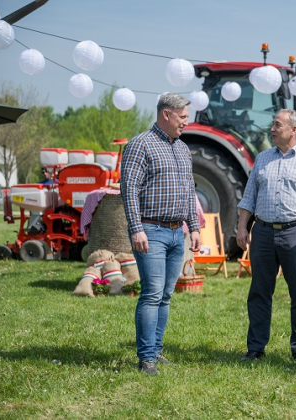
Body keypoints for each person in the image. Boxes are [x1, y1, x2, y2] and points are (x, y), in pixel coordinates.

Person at [236, 109, 296, 361]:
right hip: (263, 233)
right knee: (259, 291)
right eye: (273, 124)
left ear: (294, 131)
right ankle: (255, 348)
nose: (272, 129)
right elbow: (249, 197)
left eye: (278, 125)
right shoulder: (262, 159)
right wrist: (242, 226)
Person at [121, 93, 201, 375]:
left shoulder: (182, 148)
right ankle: (146, 359)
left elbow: (189, 191)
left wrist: (194, 227)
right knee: (152, 293)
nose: (186, 123)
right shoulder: (140, 145)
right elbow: (129, 190)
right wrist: (136, 229)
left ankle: (156, 351)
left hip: (176, 233)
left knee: (165, 295)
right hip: (151, 231)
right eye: (182, 117)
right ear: (166, 114)